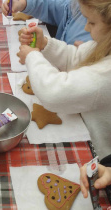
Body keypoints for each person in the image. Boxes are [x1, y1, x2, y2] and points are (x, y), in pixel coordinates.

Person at [17, 0, 111, 159]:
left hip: (98, 153)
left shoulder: (106, 73)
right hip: (81, 125)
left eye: (92, 23)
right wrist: (45, 44)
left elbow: (54, 93)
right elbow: (75, 57)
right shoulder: (103, 45)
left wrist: (32, 56)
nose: (86, 28)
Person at [2, 0, 92, 46]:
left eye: (92, 23)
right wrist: (25, 4)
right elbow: (60, 9)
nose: (87, 27)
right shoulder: (80, 4)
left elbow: (71, 59)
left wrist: (46, 44)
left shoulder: (100, 22)